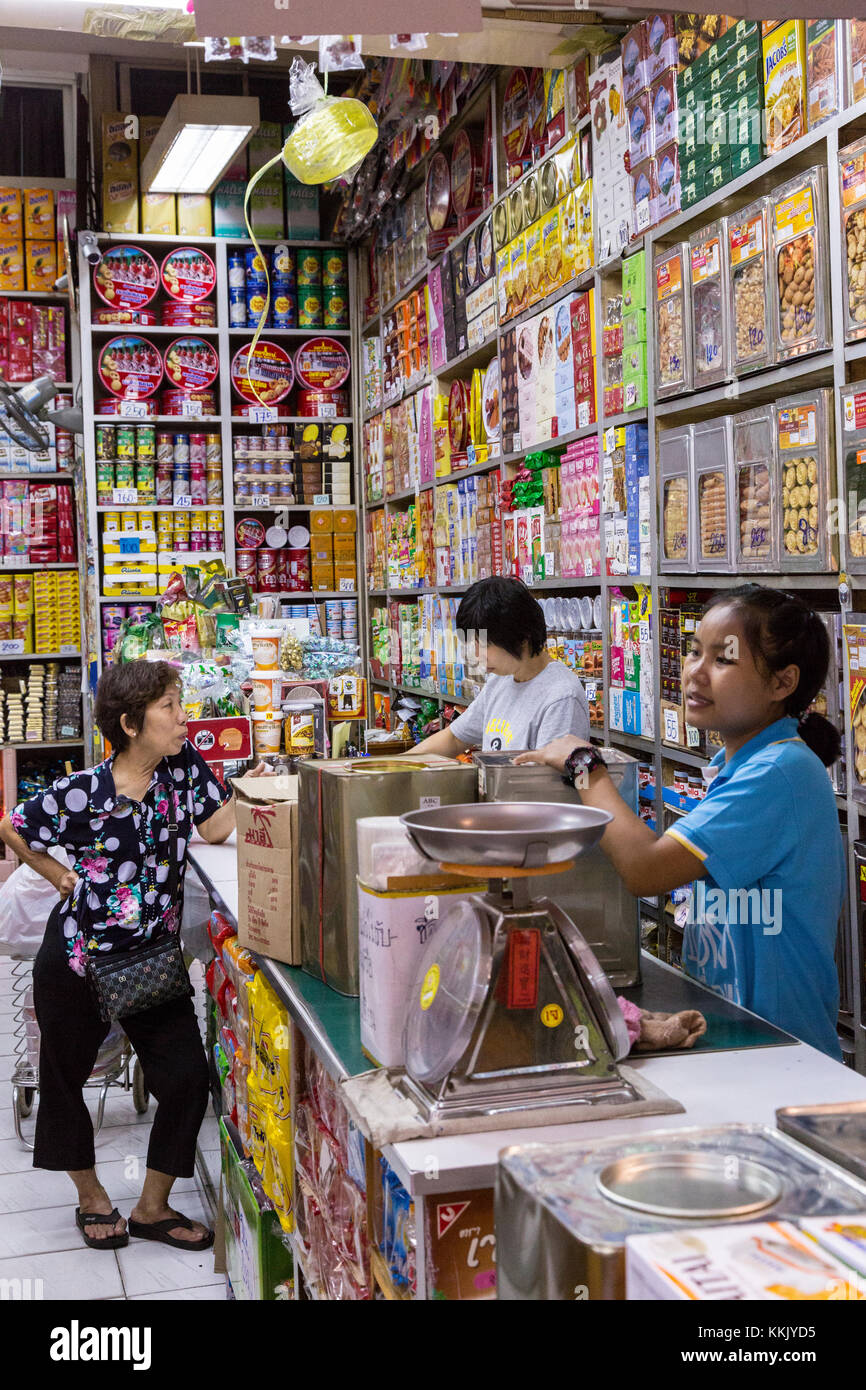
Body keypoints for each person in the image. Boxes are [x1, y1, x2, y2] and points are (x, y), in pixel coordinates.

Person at [0, 660, 270, 1251]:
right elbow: (13, 824)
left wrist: (263, 790)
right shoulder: (84, 792)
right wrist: (55, 874)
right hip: (77, 960)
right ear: (129, 723)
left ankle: (152, 1207)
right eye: (170, 707)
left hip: (149, 960)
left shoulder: (183, 770)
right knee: (64, 1081)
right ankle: (92, 1198)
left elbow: (220, 826)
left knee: (186, 1079)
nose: (183, 717)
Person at [516, 584, 845, 1060]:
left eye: (723, 659)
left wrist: (584, 764)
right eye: (695, 652)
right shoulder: (746, 764)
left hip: (782, 1053)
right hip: (739, 1041)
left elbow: (646, 869)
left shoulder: (778, 773)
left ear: (782, 683)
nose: (696, 672)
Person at [407, 576, 590, 757]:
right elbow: (454, 738)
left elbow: (547, 780)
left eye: (485, 644)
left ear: (522, 637)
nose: (476, 655)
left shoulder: (562, 697)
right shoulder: (501, 678)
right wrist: (392, 766)